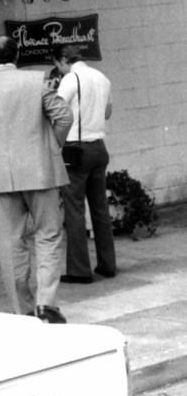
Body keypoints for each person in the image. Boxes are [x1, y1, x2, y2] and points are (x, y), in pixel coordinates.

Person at [0, 35, 72, 323]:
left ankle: (24, 310)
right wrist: (51, 148)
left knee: (10, 243)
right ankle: (47, 303)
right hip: (41, 172)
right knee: (49, 235)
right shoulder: (37, 81)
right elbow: (64, 117)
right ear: (16, 56)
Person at [52, 44, 117, 283]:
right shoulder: (102, 77)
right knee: (100, 208)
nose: (57, 70)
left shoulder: (70, 79)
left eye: (57, 65)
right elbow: (107, 112)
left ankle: (79, 270)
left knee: (74, 210)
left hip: (76, 149)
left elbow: (57, 112)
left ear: (62, 61)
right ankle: (107, 264)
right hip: (99, 146)